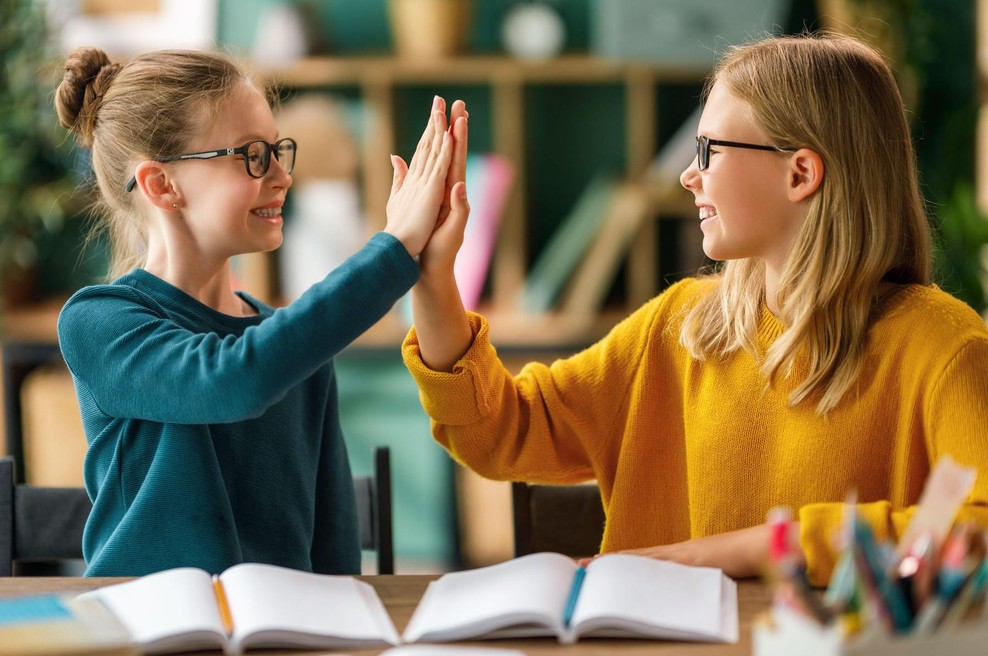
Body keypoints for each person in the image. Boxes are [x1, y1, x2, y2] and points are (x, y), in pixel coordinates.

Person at [402, 32, 988, 585]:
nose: (687, 175)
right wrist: (432, 277)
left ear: (801, 173)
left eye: (708, 150)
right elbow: (499, 431)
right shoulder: (679, 326)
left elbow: (978, 529)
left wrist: (739, 550)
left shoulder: (944, 348)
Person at [54, 46, 468, 576]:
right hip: (146, 634)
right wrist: (394, 248)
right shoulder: (99, 322)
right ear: (162, 184)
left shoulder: (294, 347)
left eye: (279, 150)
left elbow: (333, 551)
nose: (281, 176)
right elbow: (232, 378)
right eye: (252, 155)